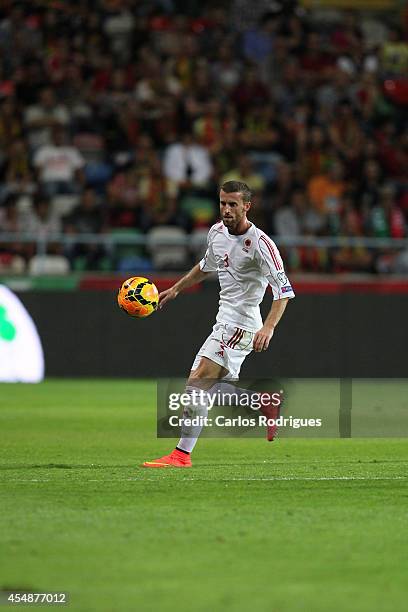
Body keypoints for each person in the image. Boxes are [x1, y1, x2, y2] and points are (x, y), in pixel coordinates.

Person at [143, 180, 295, 468]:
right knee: (209, 388)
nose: (226, 209)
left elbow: (283, 291)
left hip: (242, 324)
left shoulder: (262, 245)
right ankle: (264, 401)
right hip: (224, 320)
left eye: (233, 204)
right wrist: (175, 289)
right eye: (223, 203)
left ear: (246, 206)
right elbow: (205, 266)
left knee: (197, 382)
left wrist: (269, 327)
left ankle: (180, 455)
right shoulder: (216, 232)